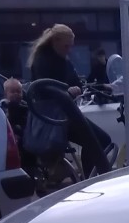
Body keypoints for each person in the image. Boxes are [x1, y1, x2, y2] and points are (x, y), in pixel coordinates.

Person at [26, 24, 112, 176]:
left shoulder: (62, 59)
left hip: (65, 112)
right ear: (55, 41)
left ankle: (89, 176)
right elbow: (44, 87)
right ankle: (89, 178)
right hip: (57, 115)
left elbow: (75, 82)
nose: (69, 50)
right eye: (66, 46)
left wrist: (74, 89)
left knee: (98, 140)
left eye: (70, 46)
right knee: (99, 140)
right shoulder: (42, 59)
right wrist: (66, 91)